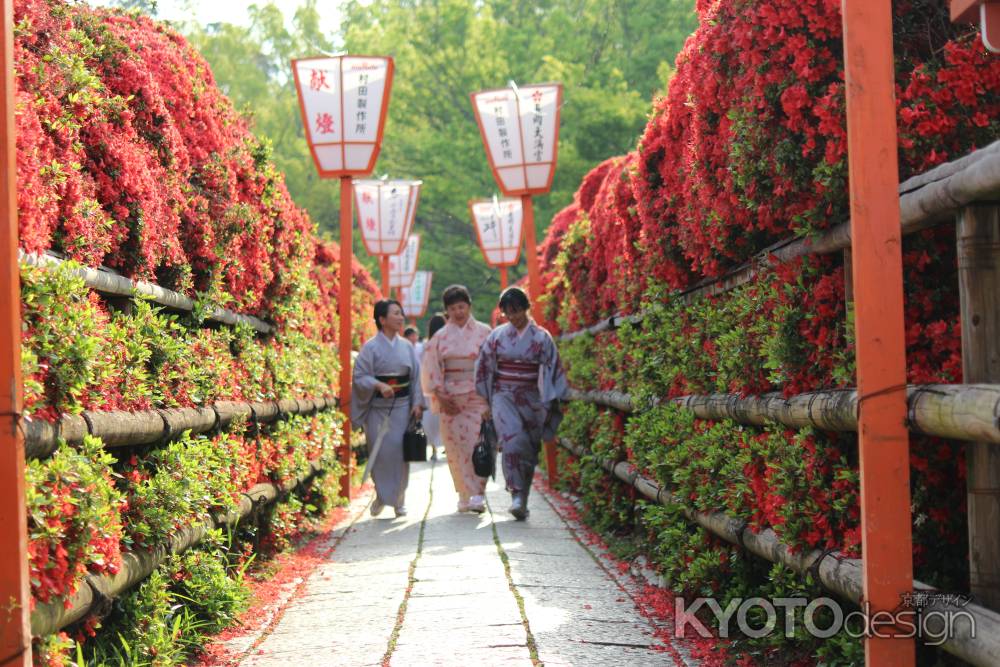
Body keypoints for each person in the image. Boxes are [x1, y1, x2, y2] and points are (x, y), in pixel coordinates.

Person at [475, 287, 568, 520]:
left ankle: (522, 499)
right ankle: (515, 492)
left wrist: (555, 397)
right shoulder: (497, 337)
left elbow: (553, 368)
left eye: (517, 311)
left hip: (531, 398)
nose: (514, 317)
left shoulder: (541, 337)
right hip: (503, 395)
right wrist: (484, 401)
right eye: (508, 313)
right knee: (512, 440)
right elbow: (484, 366)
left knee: (528, 447)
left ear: (527, 308)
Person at [421, 286, 492, 513]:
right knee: (454, 447)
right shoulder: (440, 337)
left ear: (469, 306)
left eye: (461, 306)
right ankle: (463, 493)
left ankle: (477, 494)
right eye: (453, 308)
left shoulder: (484, 332)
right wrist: (440, 395)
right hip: (449, 398)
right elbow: (431, 368)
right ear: (447, 311)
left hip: (476, 395)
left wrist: (489, 397)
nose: (458, 312)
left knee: (476, 443)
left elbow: (491, 365)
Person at [351, 299, 425, 518]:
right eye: (395, 314)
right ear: (382, 319)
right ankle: (382, 495)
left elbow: (416, 378)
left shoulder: (407, 347)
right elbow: (360, 376)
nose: (401, 317)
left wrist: (417, 403)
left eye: (401, 313)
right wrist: (378, 384)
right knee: (381, 453)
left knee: (401, 453)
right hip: (377, 409)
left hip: (401, 408)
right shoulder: (371, 347)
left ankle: (399, 500)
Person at [420, 313, 447, 461]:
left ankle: (435, 450)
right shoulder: (448, 343)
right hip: (445, 387)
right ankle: (445, 447)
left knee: (430, 421)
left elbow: (421, 368)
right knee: (442, 421)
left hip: (428, 389)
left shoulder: (424, 346)